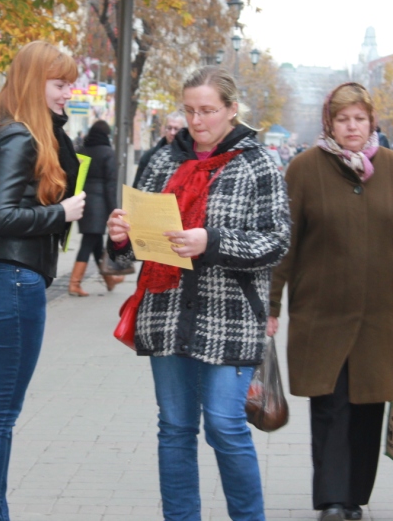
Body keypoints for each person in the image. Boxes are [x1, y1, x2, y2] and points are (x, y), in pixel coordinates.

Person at [106, 67, 290, 521]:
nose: (197, 120)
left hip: (230, 316)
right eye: (189, 110)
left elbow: (278, 241)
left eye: (207, 110)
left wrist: (213, 241)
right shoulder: (163, 161)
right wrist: (119, 236)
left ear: (231, 109)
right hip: (166, 314)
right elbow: (129, 252)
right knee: (175, 427)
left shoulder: (258, 163)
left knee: (226, 426)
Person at [268, 82, 393, 521]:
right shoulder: (305, 169)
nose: (352, 127)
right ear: (330, 122)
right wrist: (270, 306)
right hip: (321, 314)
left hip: (383, 315)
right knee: (331, 406)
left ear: (371, 122)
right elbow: (285, 244)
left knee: (369, 404)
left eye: (359, 119)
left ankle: (354, 498)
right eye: (343, 119)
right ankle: (331, 499)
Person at [0, 41, 86, 520]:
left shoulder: (17, 132)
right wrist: (61, 212)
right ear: (36, 83)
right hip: (10, 279)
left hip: (3, 277)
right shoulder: (20, 137)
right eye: (60, 84)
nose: (67, 93)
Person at [70, 120, 123, 296]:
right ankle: (74, 283)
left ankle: (109, 280)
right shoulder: (107, 153)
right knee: (88, 242)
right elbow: (110, 185)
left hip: (83, 202)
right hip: (99, 205)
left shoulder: (82, 151)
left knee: (95, 244)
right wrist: (113, 210)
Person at [134, 111, 186, 189]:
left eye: (176, 129)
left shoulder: (189, 157)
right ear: (165, 129)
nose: (172, 132)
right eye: (169, 128)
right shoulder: (150, 156)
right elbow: (136, 188)